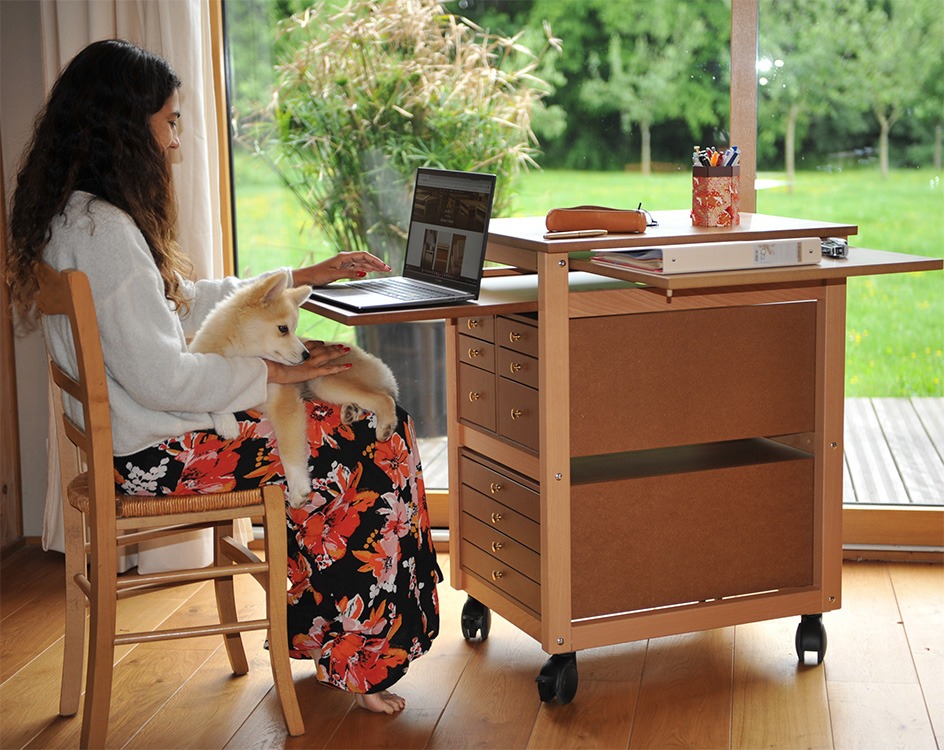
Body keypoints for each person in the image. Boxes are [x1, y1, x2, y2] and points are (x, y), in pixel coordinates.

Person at [5, 39, 441, 715]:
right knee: (371, 433)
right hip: (156, 452)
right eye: (170, 121)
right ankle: (359, 655)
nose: (176, 140)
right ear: (127, 126)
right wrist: (272, 371)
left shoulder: (75, 216)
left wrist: (296, 280)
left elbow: (178, 302)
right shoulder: (107, 234)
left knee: (342, 423)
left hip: (137, 443)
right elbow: (165, 381)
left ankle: (333, 638)